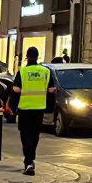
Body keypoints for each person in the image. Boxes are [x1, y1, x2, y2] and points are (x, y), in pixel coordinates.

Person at [8, 46, 54, 175]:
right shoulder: (45, 71)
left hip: (24, 109)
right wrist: (50, 108)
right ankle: (31, 157)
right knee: (34, 135)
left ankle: (28, 162)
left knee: (25, 136)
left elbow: (15, 91)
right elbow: (51, 91)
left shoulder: (22, 72)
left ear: (27, 57)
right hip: (39, 109)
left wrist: (11, 107)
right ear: (38, 57)